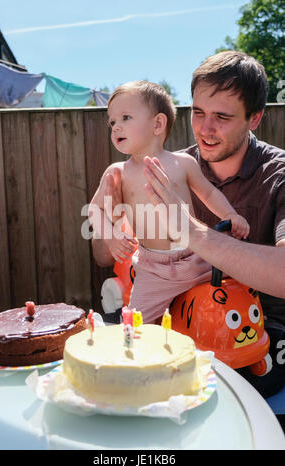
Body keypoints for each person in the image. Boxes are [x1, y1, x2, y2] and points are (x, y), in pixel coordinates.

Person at [142, 51, 285, 398]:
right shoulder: (175, 168)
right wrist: (110, 222)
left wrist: (191, 230)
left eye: (222, 117)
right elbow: (114, 254)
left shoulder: (279, 175)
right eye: (199, 113)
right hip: (183, 320)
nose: (206, 129)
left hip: (260, 330)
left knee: (225, 392)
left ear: (255, 118)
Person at [89, 80, 250, 324]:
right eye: (112, 122)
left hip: (197, 255)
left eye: (125, 118)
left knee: (244, 273)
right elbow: (95, 208)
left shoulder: (183, 162)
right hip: (154, 269)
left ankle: (255, 323)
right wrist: (109, 234)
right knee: (133, 328)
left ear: (157, 124)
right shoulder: (118, 171)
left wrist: (230, 214)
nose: (115, 127)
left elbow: (209, 193)